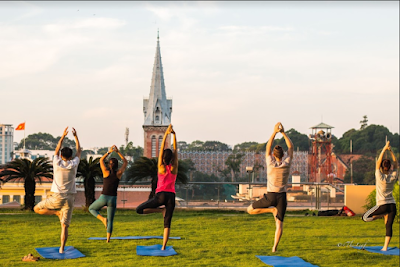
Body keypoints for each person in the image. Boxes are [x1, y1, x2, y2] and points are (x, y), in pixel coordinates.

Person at [247, 122, 293, 252]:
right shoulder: (287, 163)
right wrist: (283, 132)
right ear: (283, 155)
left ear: (273, 155)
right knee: (279, 224)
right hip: (282, 197)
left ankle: (270, 210)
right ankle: (274, 248)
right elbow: (291, 147)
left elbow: (268, 147)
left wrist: (274, 132)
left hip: (271, 196)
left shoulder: (270, 163)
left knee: (249, 209)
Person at [34, 127, 81, 253]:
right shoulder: (74, 164)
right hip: (70, 198)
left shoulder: (56, 162)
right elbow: (79, 152)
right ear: (71, 156)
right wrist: (76, 137)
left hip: (57, 197)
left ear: (61, 155)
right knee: (64, 226)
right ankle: (61, 249)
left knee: (36, 208)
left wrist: (63, 136)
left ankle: (56, 213)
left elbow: (56, 150)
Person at [136, 124, 178, 250]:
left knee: (139, 209)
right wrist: (174, 135)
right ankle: (164, 247)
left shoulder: (160, 167)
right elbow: (176, 152)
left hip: (160, 196)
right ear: (171, 159)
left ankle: (160, 210)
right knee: (167, 223)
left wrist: (166, 134)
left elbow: (160, 151)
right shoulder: (174, 168)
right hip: (171, 196)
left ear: (163, 158)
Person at [362, 141, 398, 251]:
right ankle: (385, 248)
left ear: (382, 167)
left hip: (383, 205)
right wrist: (391, 151)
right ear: (390, 167)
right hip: (392, 205)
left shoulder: (380, 177)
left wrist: (384, 149)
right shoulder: (393, 176)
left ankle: (381, 215)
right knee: (389, 226)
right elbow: (396, 163)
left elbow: (378, 162)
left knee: (364, 217)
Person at [89, 145, 128, 243]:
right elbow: (126, 162)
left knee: (91, 208)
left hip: (103, 197)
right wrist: (118, 152)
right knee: (111, 220)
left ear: (109, 165)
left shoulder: (105, 172)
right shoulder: (119, 173)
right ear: (116, 165)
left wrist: (109, 152)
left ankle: (102, 219)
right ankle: (108, 240)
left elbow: (101, 160)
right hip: (113, 199)